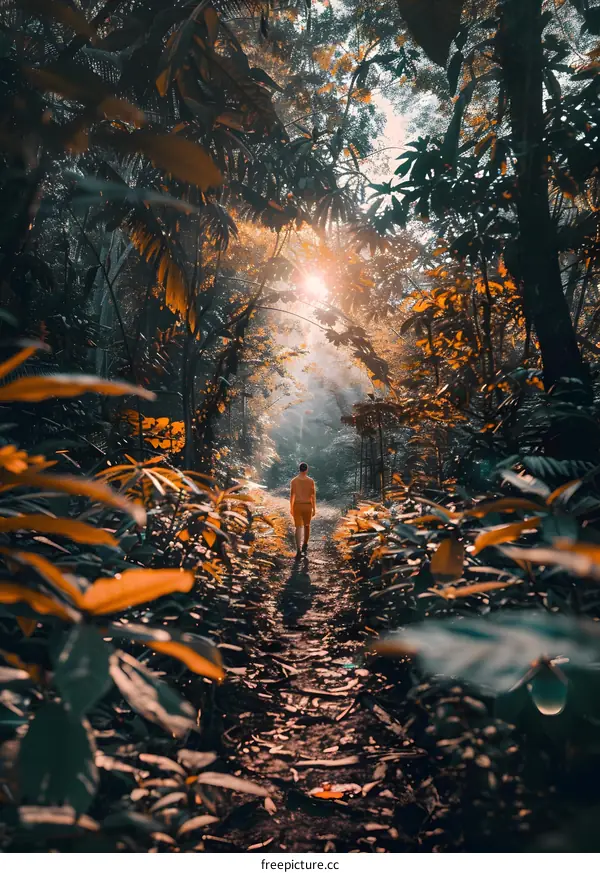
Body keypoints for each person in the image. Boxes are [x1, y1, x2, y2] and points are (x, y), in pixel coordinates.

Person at [290, 462, 316, 558]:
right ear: (307, 469)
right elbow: (312, 496)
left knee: (298, 527)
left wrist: (291, 508)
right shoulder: (311, 481)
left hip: (297, 506)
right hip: (307, 506)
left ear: (299, 469)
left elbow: (292, 496)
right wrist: (314, 508)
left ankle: (298, 549)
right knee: (307, 526)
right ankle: (305, 544)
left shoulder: (294, 481)